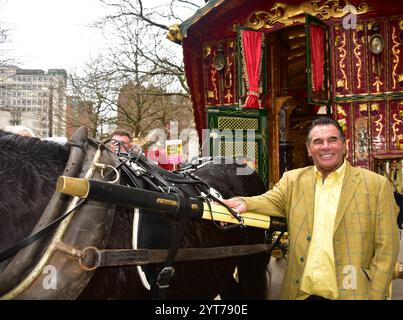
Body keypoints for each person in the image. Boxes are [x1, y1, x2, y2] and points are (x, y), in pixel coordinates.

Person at [221, 116, 399, 300]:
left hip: (353, 293)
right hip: (301, 294)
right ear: (309, 149)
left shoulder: (375, 185)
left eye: (332, 140)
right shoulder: (293, 180)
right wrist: (243, 202)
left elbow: (387, 249)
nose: (326, 146)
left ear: (345, 145)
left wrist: (375, 295)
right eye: (318, 142)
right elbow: (269, 201)